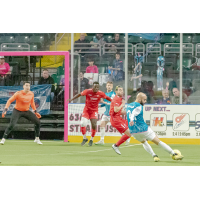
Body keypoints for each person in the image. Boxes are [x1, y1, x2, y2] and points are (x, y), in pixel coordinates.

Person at [125, 92, 183, 161]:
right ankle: (174, 154)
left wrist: (131, 120)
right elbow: (134, 113)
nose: (145, 101)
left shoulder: (128, 105)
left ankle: (154, 156)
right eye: (144, 100)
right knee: (158, 142)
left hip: (133, 131)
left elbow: (130, 113)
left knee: (144, 142)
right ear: (139, 99)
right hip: (143, 129)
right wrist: (131, 119)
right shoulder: (139, 106)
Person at [67, 82, 112, 146]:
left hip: (94, 111)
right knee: (82, 123)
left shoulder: (100, 93)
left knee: (94, 124)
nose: (96, 88)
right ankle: (84, 138)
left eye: (97, 87)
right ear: (92, 87)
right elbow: (79, 94)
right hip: (87, 110)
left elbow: (107, 97)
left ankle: (91, 139)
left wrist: (113, 101)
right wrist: (72, 99)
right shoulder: (87, 91)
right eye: (95, 87)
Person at [110, 86, 132, 155]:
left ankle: (125, 138)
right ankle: (116, 145)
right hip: (115, 120)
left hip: (118, 118)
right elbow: (116, 110)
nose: (121, 91)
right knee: (129, 133)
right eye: (119, 90)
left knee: (130, 128)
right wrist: (123, 104)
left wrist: (127, 112)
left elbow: (119, 111)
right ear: (116, 91)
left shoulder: (119, 99)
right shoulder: (116, 99)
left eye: (122, 90)